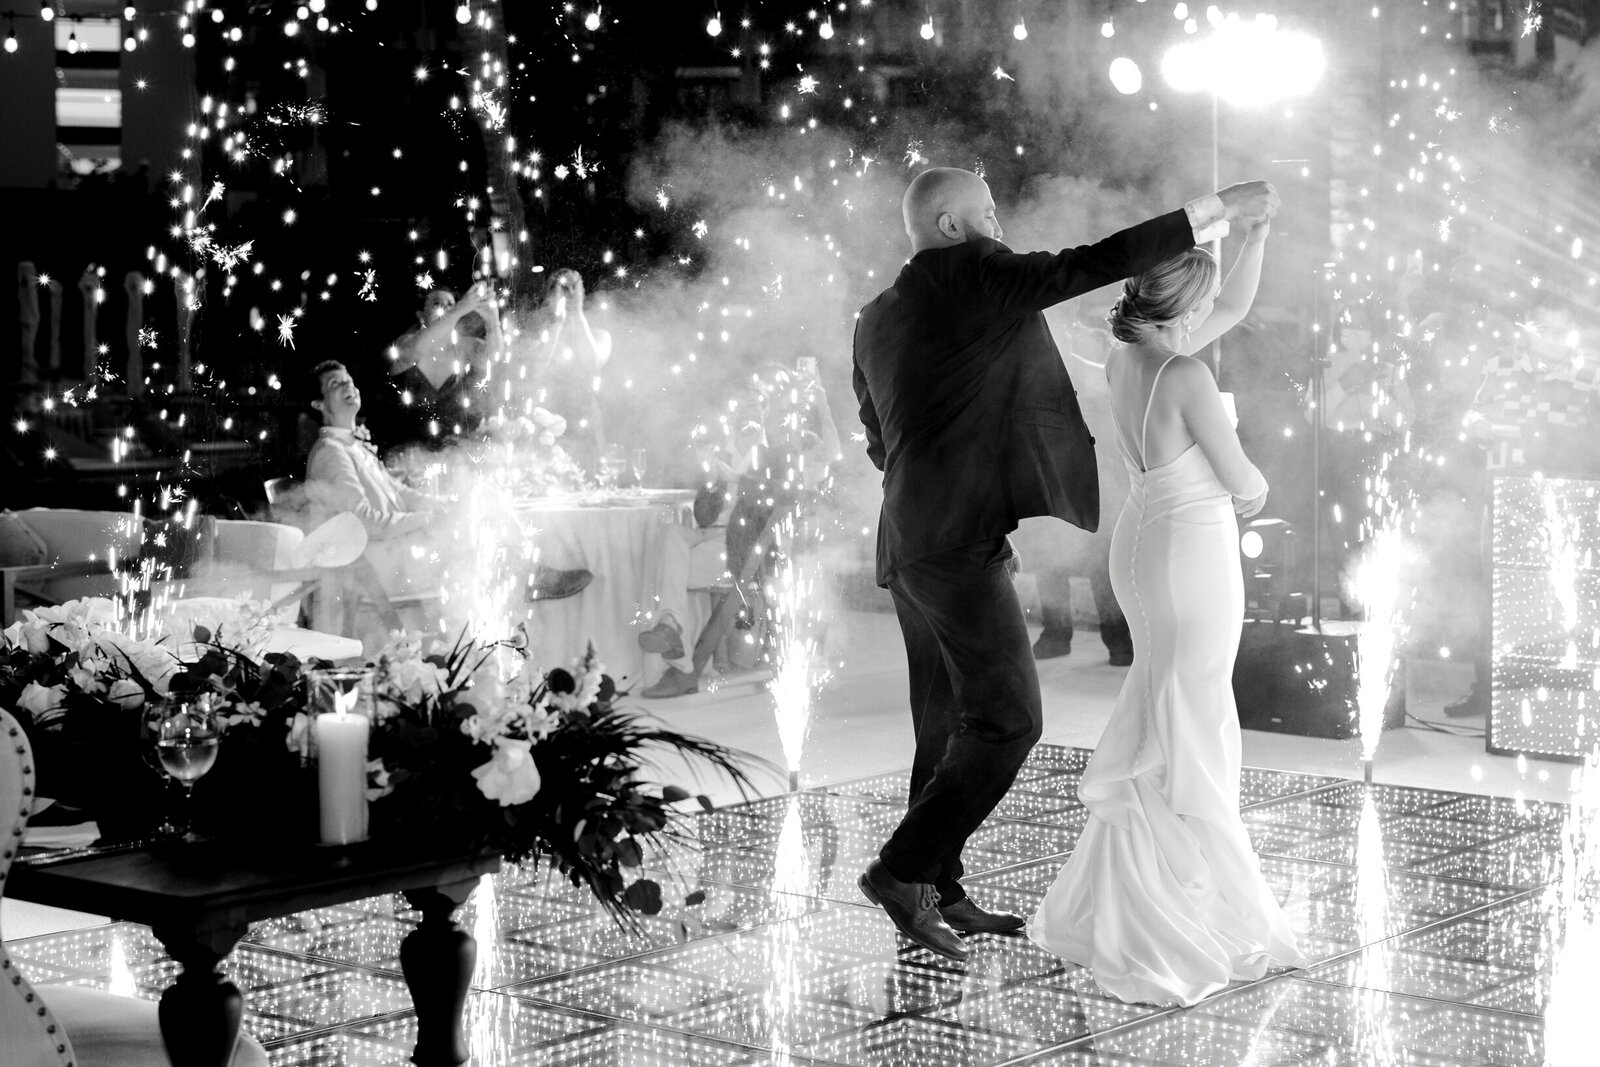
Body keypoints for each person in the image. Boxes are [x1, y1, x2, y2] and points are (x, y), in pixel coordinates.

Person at [851, 164, 1281, 963]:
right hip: (949, 545)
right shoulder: (976, 274)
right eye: (985, 211)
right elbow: (1097, 258)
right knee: (1011, 719)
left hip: (911, 540)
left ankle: (937, 884)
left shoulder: (878, 313)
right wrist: (1218, 209)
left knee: (944, 723)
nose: (999, 222)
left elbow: (879, 434)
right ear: (950, 227)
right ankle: (901, 870)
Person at [1026, 234, 1307, 1006]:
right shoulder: (1184, 372)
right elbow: (1240, 476)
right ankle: (1178, 910)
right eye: (1203, 295)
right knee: (1190, 714)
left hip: (1146, 543)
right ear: (1182, 305)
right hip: (1189, 553)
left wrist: (1252, 236)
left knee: (1164, 711)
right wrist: (1254, 486)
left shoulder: (1130, 357)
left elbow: (1237, 304)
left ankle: (1148, 891)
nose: (1215, 308)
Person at [387, 284, 500, 445]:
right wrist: (458, 309)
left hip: (455, 455)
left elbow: (493, 357)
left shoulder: (464, 346)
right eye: (438, 304)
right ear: (421, 315)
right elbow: (415, 352)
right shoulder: (405, 342)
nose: (446, 309)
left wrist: (492, 322)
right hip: (403, 453)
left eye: (451, 305)